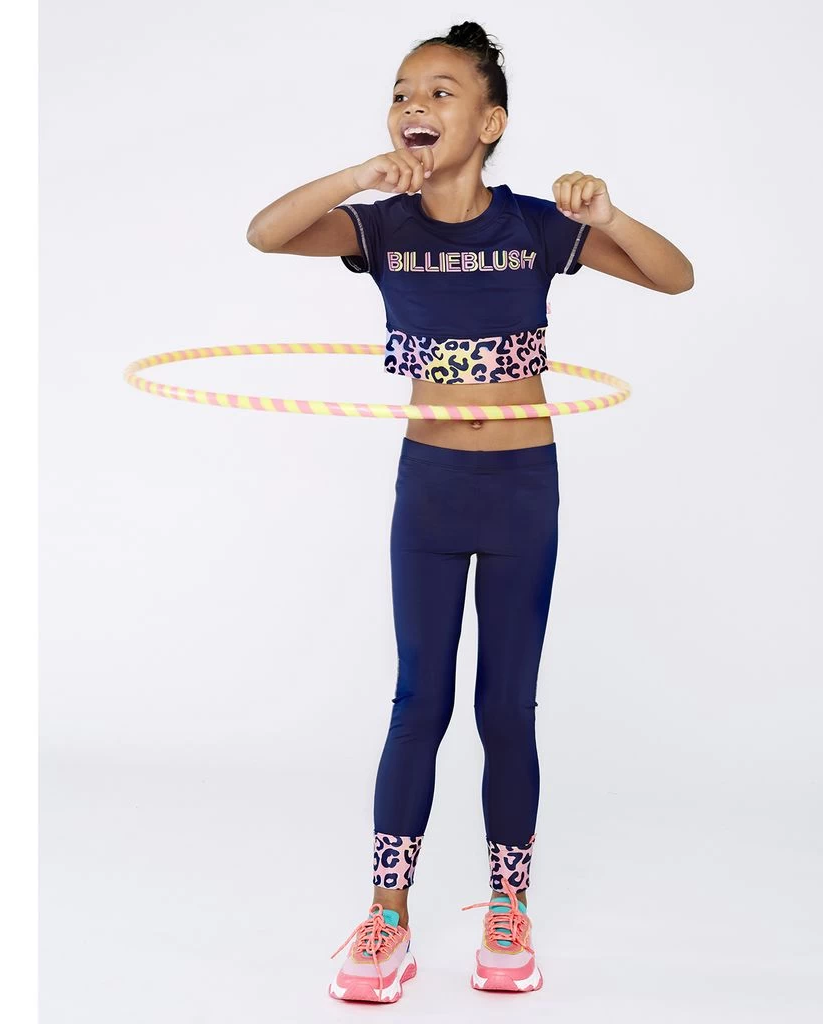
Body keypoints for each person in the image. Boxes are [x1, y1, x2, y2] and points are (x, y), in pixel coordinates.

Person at [247, 20, 694, 1003]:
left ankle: (508, 908)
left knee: (504, 706)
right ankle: (387, 917)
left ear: (490, 123)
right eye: (402, 92)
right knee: (420, 701)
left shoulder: (536, 226)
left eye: (441, 92)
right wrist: (359, 176)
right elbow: (266, 233)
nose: (415, 105)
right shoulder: (382, 227)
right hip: (431, 489)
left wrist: (611, 214)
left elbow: (675, 276)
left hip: (523, 486)